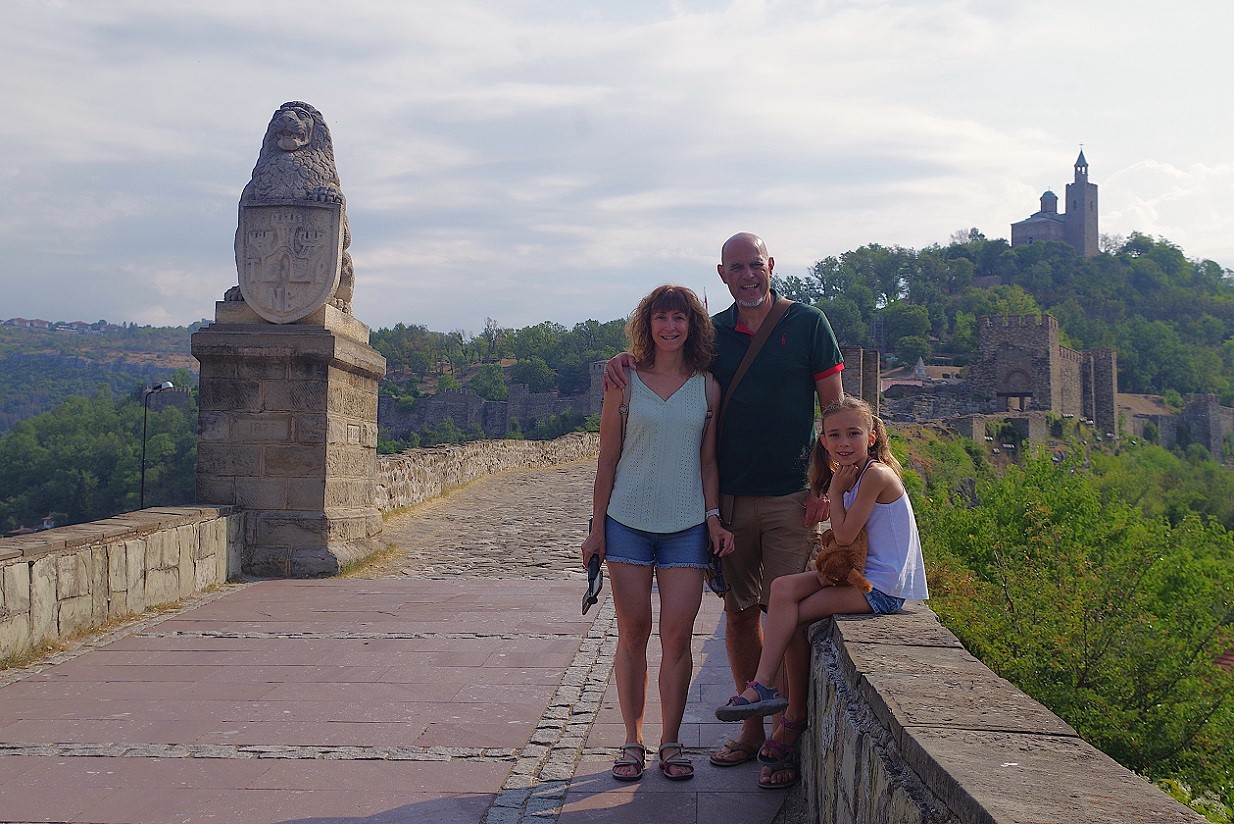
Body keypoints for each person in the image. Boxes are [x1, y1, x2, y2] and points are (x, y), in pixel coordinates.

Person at [605, 233, 844, 775]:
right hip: (730, 502)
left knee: (789, 617)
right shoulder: (714, 336)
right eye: (737, 267)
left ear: (771, 266)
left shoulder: (808, 325)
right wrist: (622, 360)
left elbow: (837, 414)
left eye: (755, 264)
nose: (748, 275)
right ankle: (750, 731)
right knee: (739, 617)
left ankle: (788, 733)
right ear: (722, 274)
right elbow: (667, 352)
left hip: (790, 499)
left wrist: (825, 487)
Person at [714, 397, 929, 789]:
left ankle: (789, 715)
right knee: (781, 589)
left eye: (853, 433)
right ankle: (764, 685)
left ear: (873, 436)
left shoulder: (874, 476)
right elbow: (847, 542)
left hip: (882, 587)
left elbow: (845, 534)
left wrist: (839, 488)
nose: (844, 441)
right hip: (856, 572)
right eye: (834, 435)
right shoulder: (851, 472)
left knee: (794, 616)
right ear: (824, 442)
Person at [582, 284, 734, 783]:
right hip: (626, 521)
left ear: (693, 326)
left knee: (677, 637)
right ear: (647, 325)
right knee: (632, 634)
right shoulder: (623, 380)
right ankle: (632, 740)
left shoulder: (707, 386)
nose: (670, 327)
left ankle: (671, 742)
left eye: (680, 319)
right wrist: (596, 526)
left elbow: (709, 461)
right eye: (662, 318)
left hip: (686, 524)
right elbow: (607, 458)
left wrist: (713, 518)